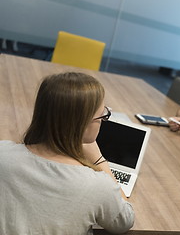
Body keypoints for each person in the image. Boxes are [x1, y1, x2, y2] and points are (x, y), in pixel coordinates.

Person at [0, 72, 134, 234]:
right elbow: (125, 221)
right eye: (102, 116)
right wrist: (99, 160)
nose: (102, 121)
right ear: (84, 124)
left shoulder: (3, 153)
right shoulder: (97, 185)